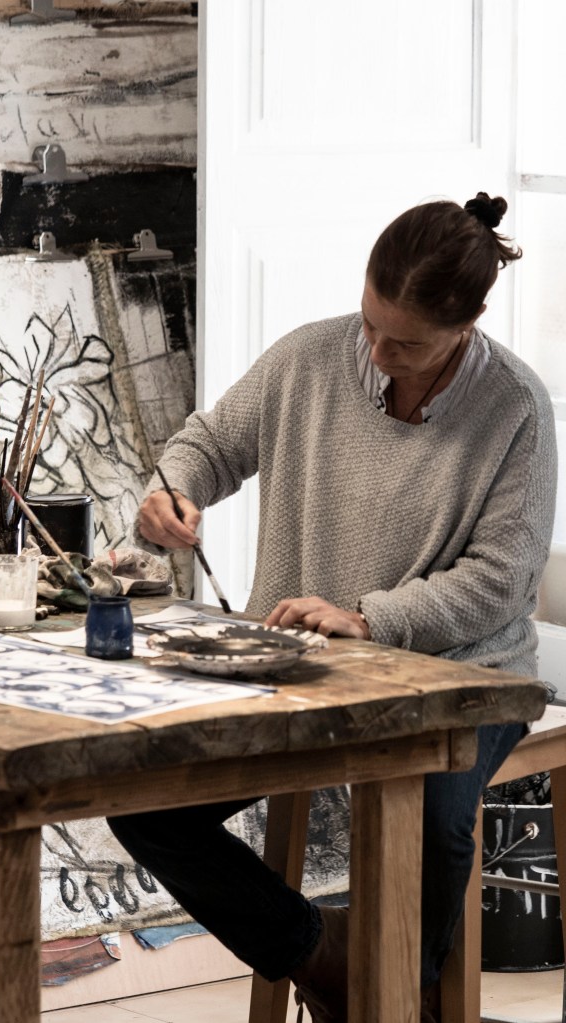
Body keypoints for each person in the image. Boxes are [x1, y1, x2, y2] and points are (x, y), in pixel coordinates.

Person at [107, 192, 558, 1022]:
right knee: (145, 799)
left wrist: (371, 618)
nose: (377, 352)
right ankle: (328, 961)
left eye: (406, 343)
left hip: (461, 674)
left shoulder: (517, 409)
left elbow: (499, 580)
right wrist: (173, 490)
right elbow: (209, 444)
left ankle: (402, 994)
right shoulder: (311, 357)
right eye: (371, 322)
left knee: (432, 816)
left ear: (468, 325)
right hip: (299, 665)